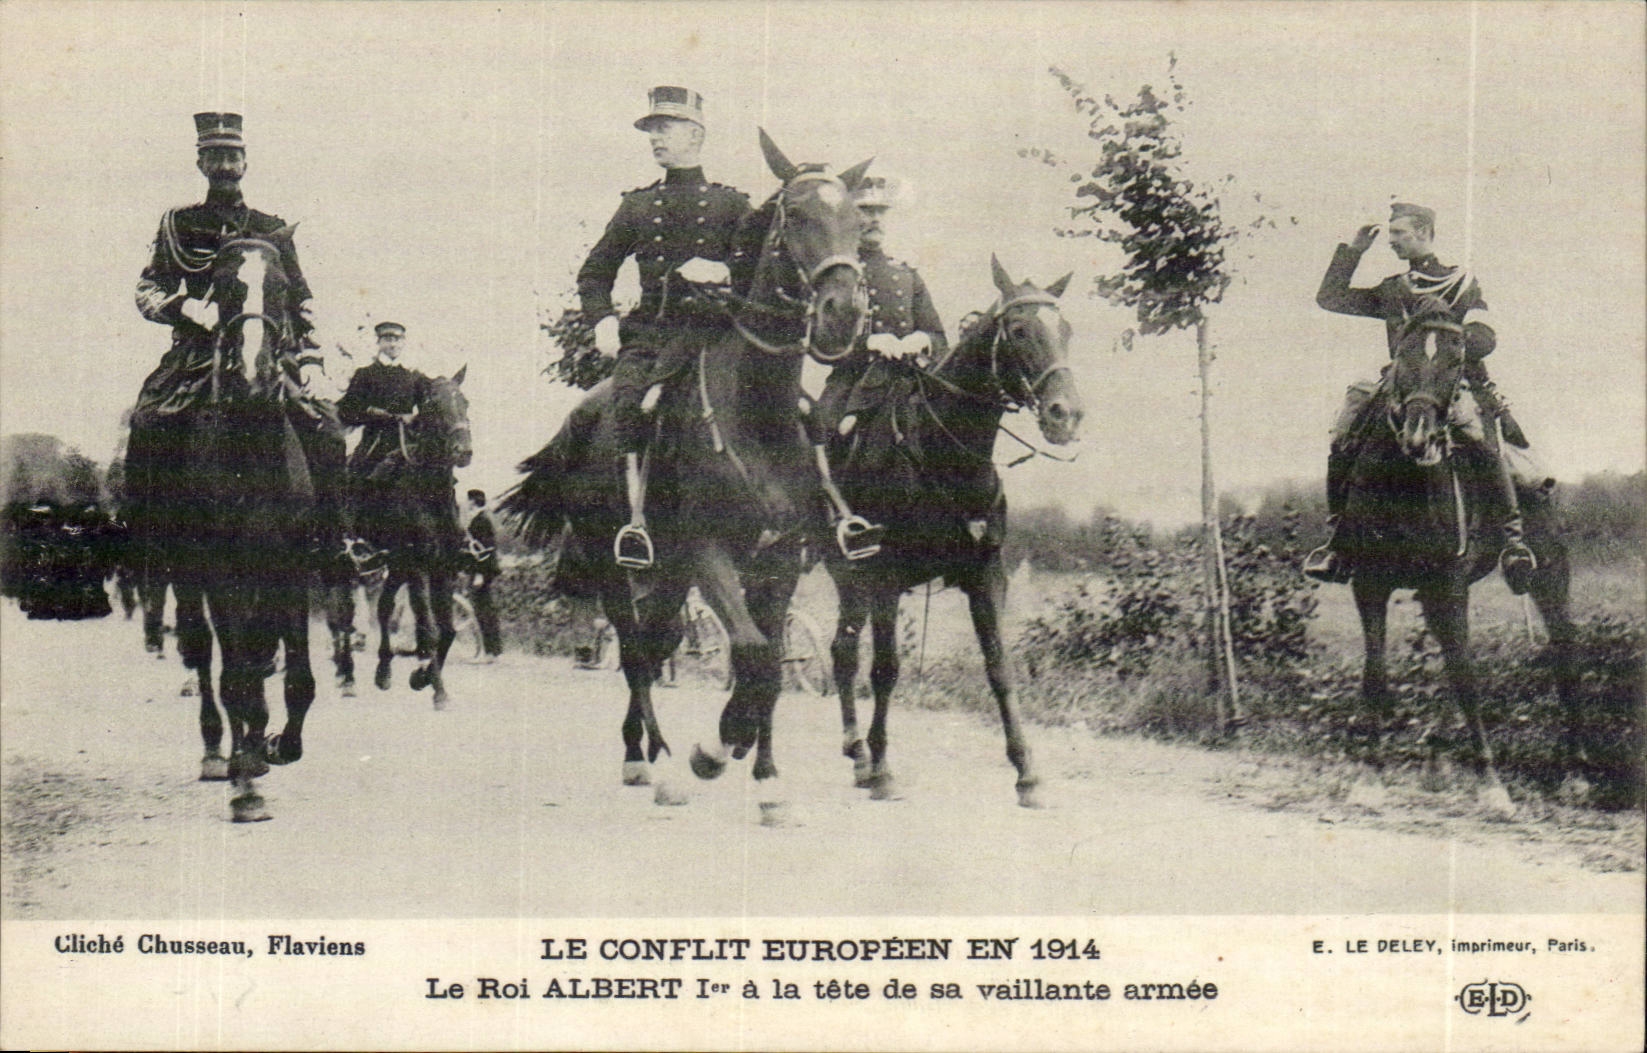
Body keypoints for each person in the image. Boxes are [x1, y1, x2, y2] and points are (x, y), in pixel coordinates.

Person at [1304, 202, 1537, 586]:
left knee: (1481, 438)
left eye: (1399, 233)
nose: (1392, 241)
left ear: (1425, 232)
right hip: (1400, 384)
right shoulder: (1393, 288)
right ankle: (1338, 544)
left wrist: (1447, 347)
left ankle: (1513, 544)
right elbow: (1330, 298)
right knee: (1344, 431)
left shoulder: (1461, 282)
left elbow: (1485, 337)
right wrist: (1354, 250)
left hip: (1449, 381)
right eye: (1390, 234)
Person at [576, 86, 751, 568]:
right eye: (651, 129)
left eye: (665, 128)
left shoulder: (731, 206)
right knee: (628, 406)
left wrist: (725, 272)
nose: (654, 137)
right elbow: (594, 273)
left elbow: (759, 273)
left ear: (695, 134)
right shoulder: (636, 206)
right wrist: (603, 321)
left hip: (715, 333)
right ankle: (637, 524)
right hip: (651, 336)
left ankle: (805, 516)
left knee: (788, 402)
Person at [128, 112, 316, 538]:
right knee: (148, 420)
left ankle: (333, 539)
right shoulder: (180, 223)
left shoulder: (272, 228)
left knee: (327, 429)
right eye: (214, 157)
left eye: (233, 156)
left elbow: (300, 298)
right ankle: (142, 535)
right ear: (201, 165)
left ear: (246, 162)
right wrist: (186, 307)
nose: (225, 165)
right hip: (198, 351)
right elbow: (147, 288)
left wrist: (313, 359)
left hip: (268, 351)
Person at [812, 173, 948, 443]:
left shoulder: (906, 273)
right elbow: (823, 344)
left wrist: (920, 339)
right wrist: (869, 343)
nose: (875, 219)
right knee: (822, 439)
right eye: (865, 210)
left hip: (912, 380)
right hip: (854, 385)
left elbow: (938, 337)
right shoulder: (838, 274)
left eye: (880, 212)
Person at [337, 321, 425, 555]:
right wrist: (371, 413)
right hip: (377, 439)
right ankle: (353, 538)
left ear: (403, 342)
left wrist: (413, 418)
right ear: (379, 343)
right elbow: (346, 411)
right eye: (388, 339)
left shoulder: (414, 377)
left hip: (408, 442)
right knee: (357, 476)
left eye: (397, 339)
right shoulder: (365, 375)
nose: (393, 343)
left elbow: (429, 408)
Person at [463, 489, 502, 661]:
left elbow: (485, 550)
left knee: (483, 611)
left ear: (472, 501)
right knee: (485, 610)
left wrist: (479, 573)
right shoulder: (483, 518)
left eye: (468, 500)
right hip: (482, 571)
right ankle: (492, 651)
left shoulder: (481, 520)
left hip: (481, 572)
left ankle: (488, 652)